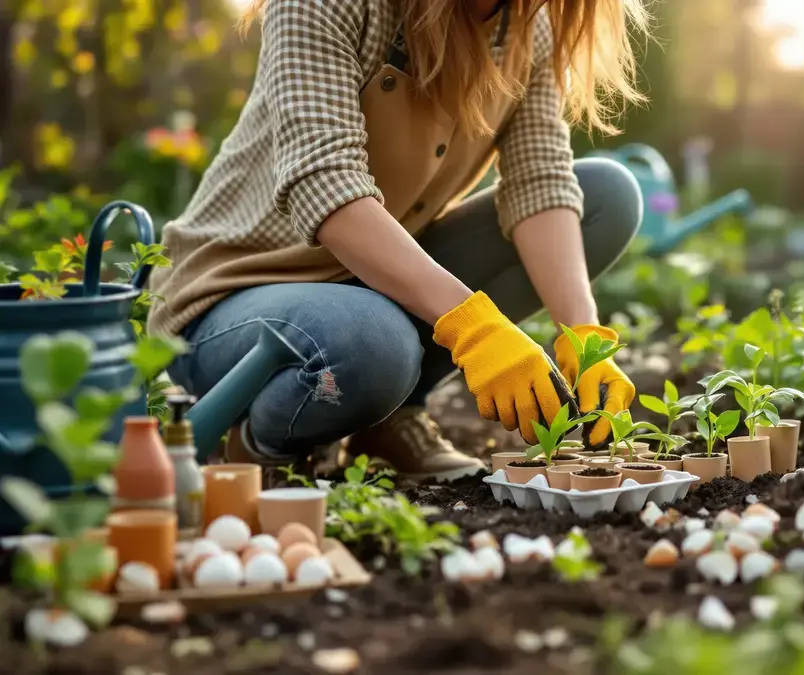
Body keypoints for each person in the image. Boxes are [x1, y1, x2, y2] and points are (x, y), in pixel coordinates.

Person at [147, 0, 649, 481]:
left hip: (371, 283)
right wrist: (476, 330)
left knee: (607, 197)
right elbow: (325, 186)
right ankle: (263, 444)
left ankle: (390, 417)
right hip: (232, 297)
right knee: (372, 340)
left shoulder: (527, 29)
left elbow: (540, 183)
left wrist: (585, 339)